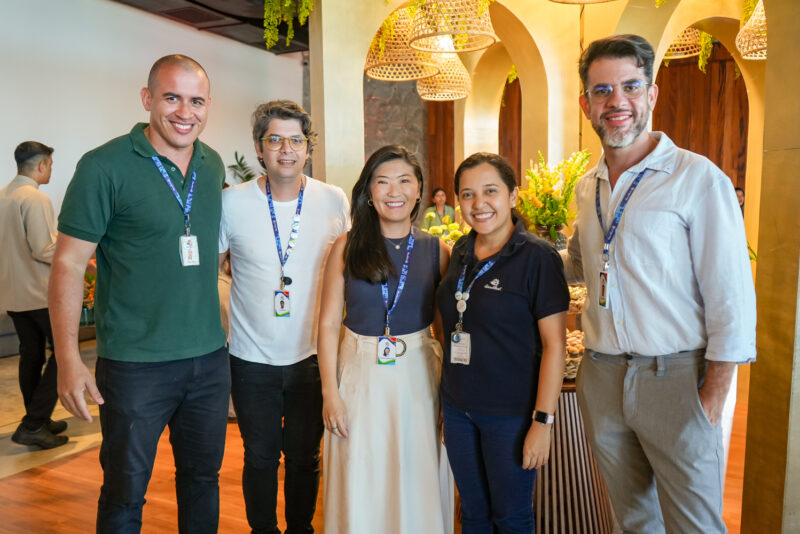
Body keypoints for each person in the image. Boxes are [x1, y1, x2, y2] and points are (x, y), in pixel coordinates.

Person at [562, 34, 756, 533]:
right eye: (602, 91)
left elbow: (731, 297)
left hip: (678, 378)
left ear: (650, 94)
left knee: (694, 525)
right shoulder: (589, 187)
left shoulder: (696, 179)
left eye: (630, 86)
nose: (616, 102)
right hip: (603, 377)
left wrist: (712, 395)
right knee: (634, 521)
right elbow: (580, 265)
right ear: (586, 104)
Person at [50, 54, 229, 533]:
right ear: (148, 99)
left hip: (210, 360)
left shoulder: (211, 166)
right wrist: (69, 358)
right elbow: (67, 264)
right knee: (125, 493)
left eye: (195, 101)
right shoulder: (103, 166)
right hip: (135, 366)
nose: (184, 112)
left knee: (202, 479)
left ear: (208, 105)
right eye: (171, 97)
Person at [218, 100, 350, 534]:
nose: (286, 149)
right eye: (276, 139)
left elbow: (350, 271)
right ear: (260, 147)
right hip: (250, 356)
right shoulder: (232, 203)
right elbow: (209, 270)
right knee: (258, 456)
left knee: (304, 457)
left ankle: (300, 529)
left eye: (296, 139)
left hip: (313, 355)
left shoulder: (333, 200)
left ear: (307, 148)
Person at [318, 145, 451, 534]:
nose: (394, 191)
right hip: (358, 372)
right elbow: (327, 325)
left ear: (418, 189)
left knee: (416, 471)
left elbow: (445, 328)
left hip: (419, 374)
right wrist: (330, 392)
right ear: (369, 192)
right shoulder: (346, 246)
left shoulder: (436, 250)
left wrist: (448, 393)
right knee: (362, 469)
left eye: (404, 181)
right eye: (383, 181)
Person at [436, 153, 569, 534]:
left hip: (511, 415)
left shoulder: (538, 257)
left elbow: (555, 347)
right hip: (459, 410)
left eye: (490, 191)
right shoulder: (461, 251)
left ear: (513, 196)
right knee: (473, 514)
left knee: (510, 518)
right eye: (468, 194)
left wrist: (542, 422)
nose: (479, 204)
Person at [0, 141, 68, 450]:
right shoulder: (35, 199)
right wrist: (78, 256)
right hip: (40, 293)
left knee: (31, 354)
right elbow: (45, 249)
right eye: (50, 165)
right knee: (65, 356)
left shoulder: (3, 196)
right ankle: (33, 423)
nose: (51, 170)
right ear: (41, 165)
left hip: (12, 293)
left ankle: (35, 420)